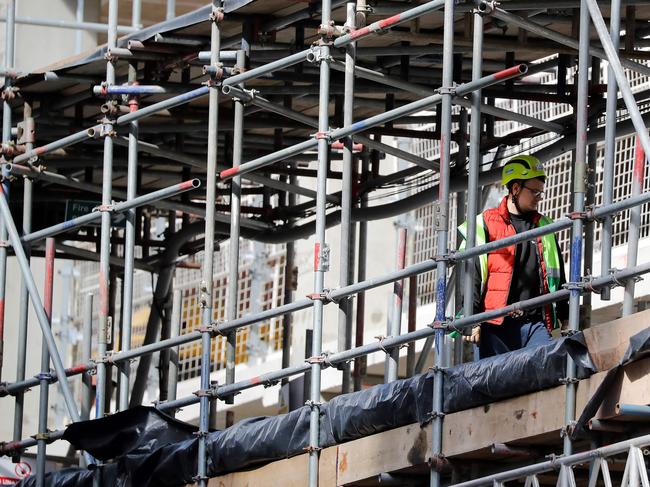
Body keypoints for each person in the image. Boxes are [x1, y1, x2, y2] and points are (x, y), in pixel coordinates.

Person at [457, 154, 568, 359]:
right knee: (496, 386)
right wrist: (471, 321)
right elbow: (471, 276)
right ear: (515, 188)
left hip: (534, 324)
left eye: (541, 193)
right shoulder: (485, 224)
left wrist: (566, 316)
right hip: (495, 326)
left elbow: (558, 277)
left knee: (547, 370)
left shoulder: (544, 226)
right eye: (534, 191)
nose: (539, 197)